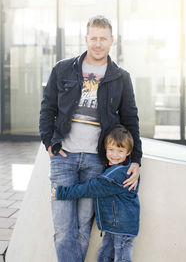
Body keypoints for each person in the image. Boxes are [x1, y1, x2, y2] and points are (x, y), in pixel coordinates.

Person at [39, 15, 142, 262]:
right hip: (64, 156)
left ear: (111, 41)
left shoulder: (121, 77)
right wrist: (48, 142)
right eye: (93, 38)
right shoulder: (63, 68)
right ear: (86, 39)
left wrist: (136, 160)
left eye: (103, 38)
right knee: (64, 227)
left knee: (84, 225)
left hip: (97, 160)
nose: (97, 43)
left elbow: (130, 118)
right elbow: (47, 108)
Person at [52, 125, 140, 262]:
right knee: (104, 256)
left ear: (128, 152)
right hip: (114, 227)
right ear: (105, 149)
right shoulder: (115, 167)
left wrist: (62, 193)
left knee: (121, 258)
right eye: (111, 150)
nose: (114, 155)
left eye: (120, 151)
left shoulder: (120, 174)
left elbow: (90, 188)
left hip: (122, 229)